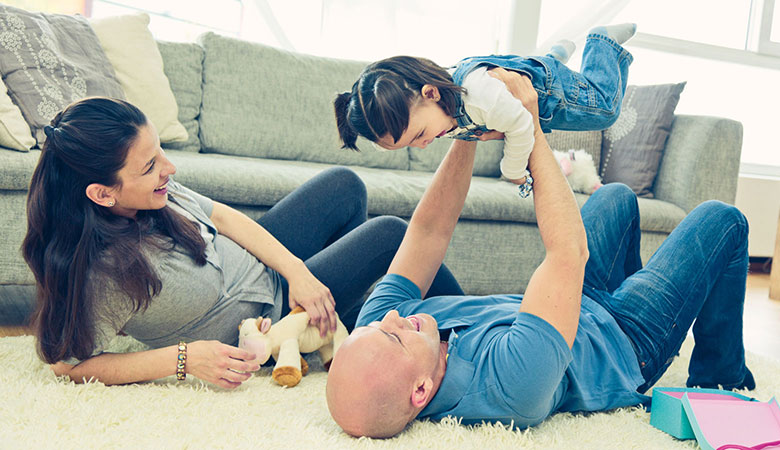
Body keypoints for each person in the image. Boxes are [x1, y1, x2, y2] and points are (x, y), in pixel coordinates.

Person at [326, 70, 754, 438]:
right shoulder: (510, 389)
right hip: (623, 341)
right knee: (722, 220)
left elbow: (429, 230)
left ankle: (643, 292)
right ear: (420, 391)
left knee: (618, 198)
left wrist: (466, 124)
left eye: (383, 324)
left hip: (572, 305)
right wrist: (527, 122)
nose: (392, 318)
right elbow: (568, 252)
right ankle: (721, 379)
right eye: (395, 334)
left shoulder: (377, 330)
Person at [21, 97, 463, 389]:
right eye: (151, 165)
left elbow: (221, 217)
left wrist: (299, 272)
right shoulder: (100, 275)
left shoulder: (152, 193)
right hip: (267, 322)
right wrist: (184, 359)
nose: (170, 168)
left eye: (159, 152)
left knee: (344, 185)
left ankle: (339, 324)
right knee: (388, 235)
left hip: (265, 273)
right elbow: (68, 366)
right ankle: (472, 337)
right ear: (102, 193)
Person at [334, 24, 635, 194]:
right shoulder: (437, 105)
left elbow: (521, 124)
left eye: (420, 135)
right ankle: (550, 57)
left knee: (606, 111)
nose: (423, 145)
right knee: (528, 75)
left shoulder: (478, 96)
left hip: (549, 92)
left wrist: (513, 171)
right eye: (409, 144)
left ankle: (601, 43)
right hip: (521, 80)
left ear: (431, 93)